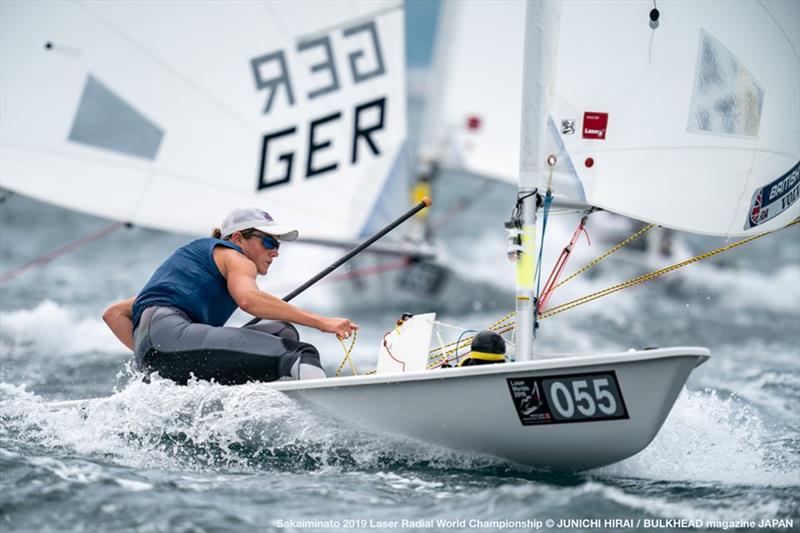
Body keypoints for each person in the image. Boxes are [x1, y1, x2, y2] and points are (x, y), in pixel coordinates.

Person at [102, 207, 358, 385]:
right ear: (238, 238)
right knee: (300, 352)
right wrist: (322, 322)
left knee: (282, 332)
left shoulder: (188, 276)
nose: (275, 252)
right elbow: (250, 301)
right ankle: (333, 417)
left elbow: (114, 314)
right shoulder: (235, 256)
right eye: (269, 242)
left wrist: (150, 363)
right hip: (170, 339)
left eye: (278, 245)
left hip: (160, 352)